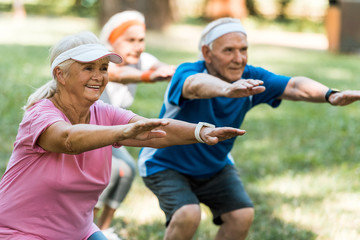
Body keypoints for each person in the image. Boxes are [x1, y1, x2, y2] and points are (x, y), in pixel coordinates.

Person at [0, 31, 248, 240]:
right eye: (88, 68)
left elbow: (155, 131)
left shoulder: (103, 112)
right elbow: (67, 139)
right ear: (60, 75)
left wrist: (202, 132)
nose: (99, 77)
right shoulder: (41, 114)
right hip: (19, 231)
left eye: (104, 68)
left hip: (78, 232)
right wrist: (122, 132)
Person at [138, 17, 360, 240]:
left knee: (241, 215)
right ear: (207, 53)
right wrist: (227, 89)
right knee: (187, 214)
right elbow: (195, 86)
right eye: (229, 51)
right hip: (164, 163)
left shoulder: (251, 78)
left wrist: (330, 95)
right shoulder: (187, 72)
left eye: (243, 49)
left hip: (214, 166)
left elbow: (293, 86)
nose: (239, 59)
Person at [94, 10, 176, 239]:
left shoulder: (142, 60)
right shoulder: (101, 60)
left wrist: (186, 74)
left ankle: (103, 228)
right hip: (85, 132)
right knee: (110, 172)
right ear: (112, 40)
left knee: (127, 170)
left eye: (141, 40)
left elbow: (170, 69)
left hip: (108, 135)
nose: (137, 46)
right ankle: (83, 228)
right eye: (130, 40)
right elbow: (118, 74)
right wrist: (151, 76)